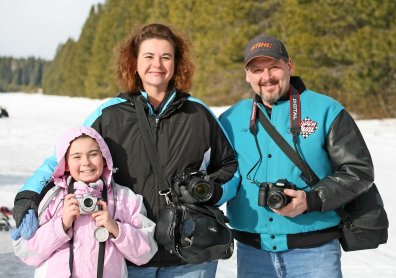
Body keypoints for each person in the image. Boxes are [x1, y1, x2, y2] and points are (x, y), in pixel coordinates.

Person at [12, 23, 238, 277]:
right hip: (128, 256)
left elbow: (230, 166)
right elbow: (61, 159)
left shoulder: (198, 113)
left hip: (190, 254)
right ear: (134, 62)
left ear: (177, 63)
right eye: (149, 56)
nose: (158, 64)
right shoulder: (109, 114)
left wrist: (212, 190)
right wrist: (28, 196)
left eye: (166, 57)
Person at [219, 34, 375, 278]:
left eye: (274, 67)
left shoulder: (327, 110)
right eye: (257, 70)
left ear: (289, 65)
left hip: (315, 254)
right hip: (252, 255)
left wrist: (311, 200)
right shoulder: (229, 120)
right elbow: (222, 174)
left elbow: (358, 171)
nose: (266, 77)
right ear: (247, 75)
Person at [12, 126, 158, 277]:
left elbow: (146, 253)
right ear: (66, 164)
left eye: (93, 154)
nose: (86, 162)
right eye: (76, 156)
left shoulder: (124, 198)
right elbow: (27, 253)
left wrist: (115, 228)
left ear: (104, 158)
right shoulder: (52, 198)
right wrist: (62, 225)